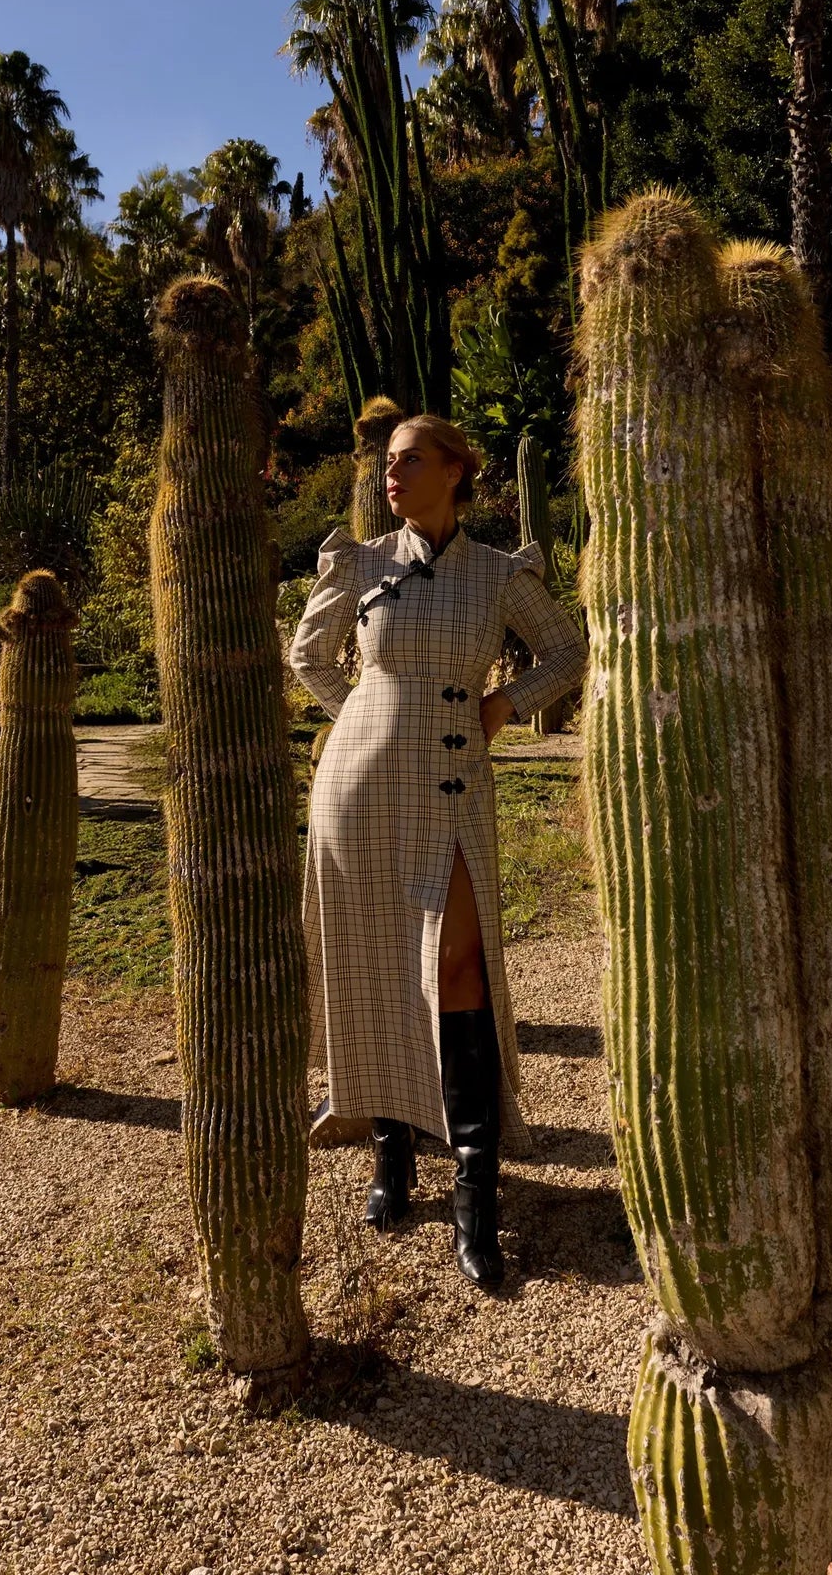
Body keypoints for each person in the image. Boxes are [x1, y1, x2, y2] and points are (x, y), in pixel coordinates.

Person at [289, 414, 588, 1287]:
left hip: (453, 785)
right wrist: (366, 714)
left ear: (455, 471)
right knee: (378, 964)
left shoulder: (498, 572)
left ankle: (474, 1189)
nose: (392, 473)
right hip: (358, 787)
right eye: (387, 461)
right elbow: (309, 657)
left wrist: (502, 705)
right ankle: (391, 1155)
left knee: (459, 968)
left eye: (410, 459)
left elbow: (566, 651)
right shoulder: (359, 562)